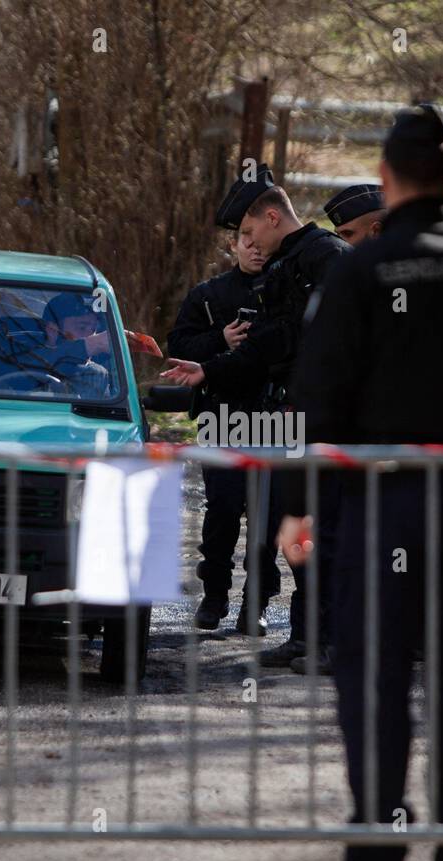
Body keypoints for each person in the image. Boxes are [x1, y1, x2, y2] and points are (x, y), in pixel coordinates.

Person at [277, 104, 443, 861]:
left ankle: (381, 835)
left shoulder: (358, 271)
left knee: (374, 676)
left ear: (385, 180)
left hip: (382, 507)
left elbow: (317, 400)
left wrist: (298, 507)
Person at [162, 164, 350, 668]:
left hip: (318, 418)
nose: (247, 243)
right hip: (271, 413)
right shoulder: (269, 272)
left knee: (302, 525)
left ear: (271, 217)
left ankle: (323, 636)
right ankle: (303, 635)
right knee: (268, 520)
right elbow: (273, 342)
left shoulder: (324, 258)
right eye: (239, 237)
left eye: (248, 231)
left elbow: (327, 343)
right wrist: (212, 365)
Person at [167, 230, 278, 634]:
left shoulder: (288, 291)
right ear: (232, 244)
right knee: (223, 511)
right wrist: (221, 339)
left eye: (260, 238)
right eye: (245, 238)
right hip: (224, 415)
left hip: (277, 417)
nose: (254, 245)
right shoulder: (209, 294)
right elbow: (177, 343)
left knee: (270, 516)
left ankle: (257, 604)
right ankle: (214, 596)